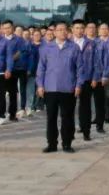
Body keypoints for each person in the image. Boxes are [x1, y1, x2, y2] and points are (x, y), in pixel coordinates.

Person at [36, 19, 86, 153]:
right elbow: (41, 68)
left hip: (68, 88)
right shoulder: (46, 48)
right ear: (54, 32)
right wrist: (40, 85)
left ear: (68, 31)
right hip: (50, 88)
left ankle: (67, 144)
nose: (62, 32)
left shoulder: (74, 48)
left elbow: (80, 68)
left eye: (64, 30)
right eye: (59, 30)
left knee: (67, 117)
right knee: (51, 118)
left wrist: (78, 85)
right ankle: (52, 144)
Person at [69, 18, 96, 140]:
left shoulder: (91, 43)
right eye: (77, 28)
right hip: (70, 79)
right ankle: (69, 133)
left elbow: (96, 62)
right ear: (72, 29)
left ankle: (86, 131)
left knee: (85, 106)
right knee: (69, 107)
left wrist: (95, 77)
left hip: (86, 78)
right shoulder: (68, 43)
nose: (79, 30)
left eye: (81, 28)